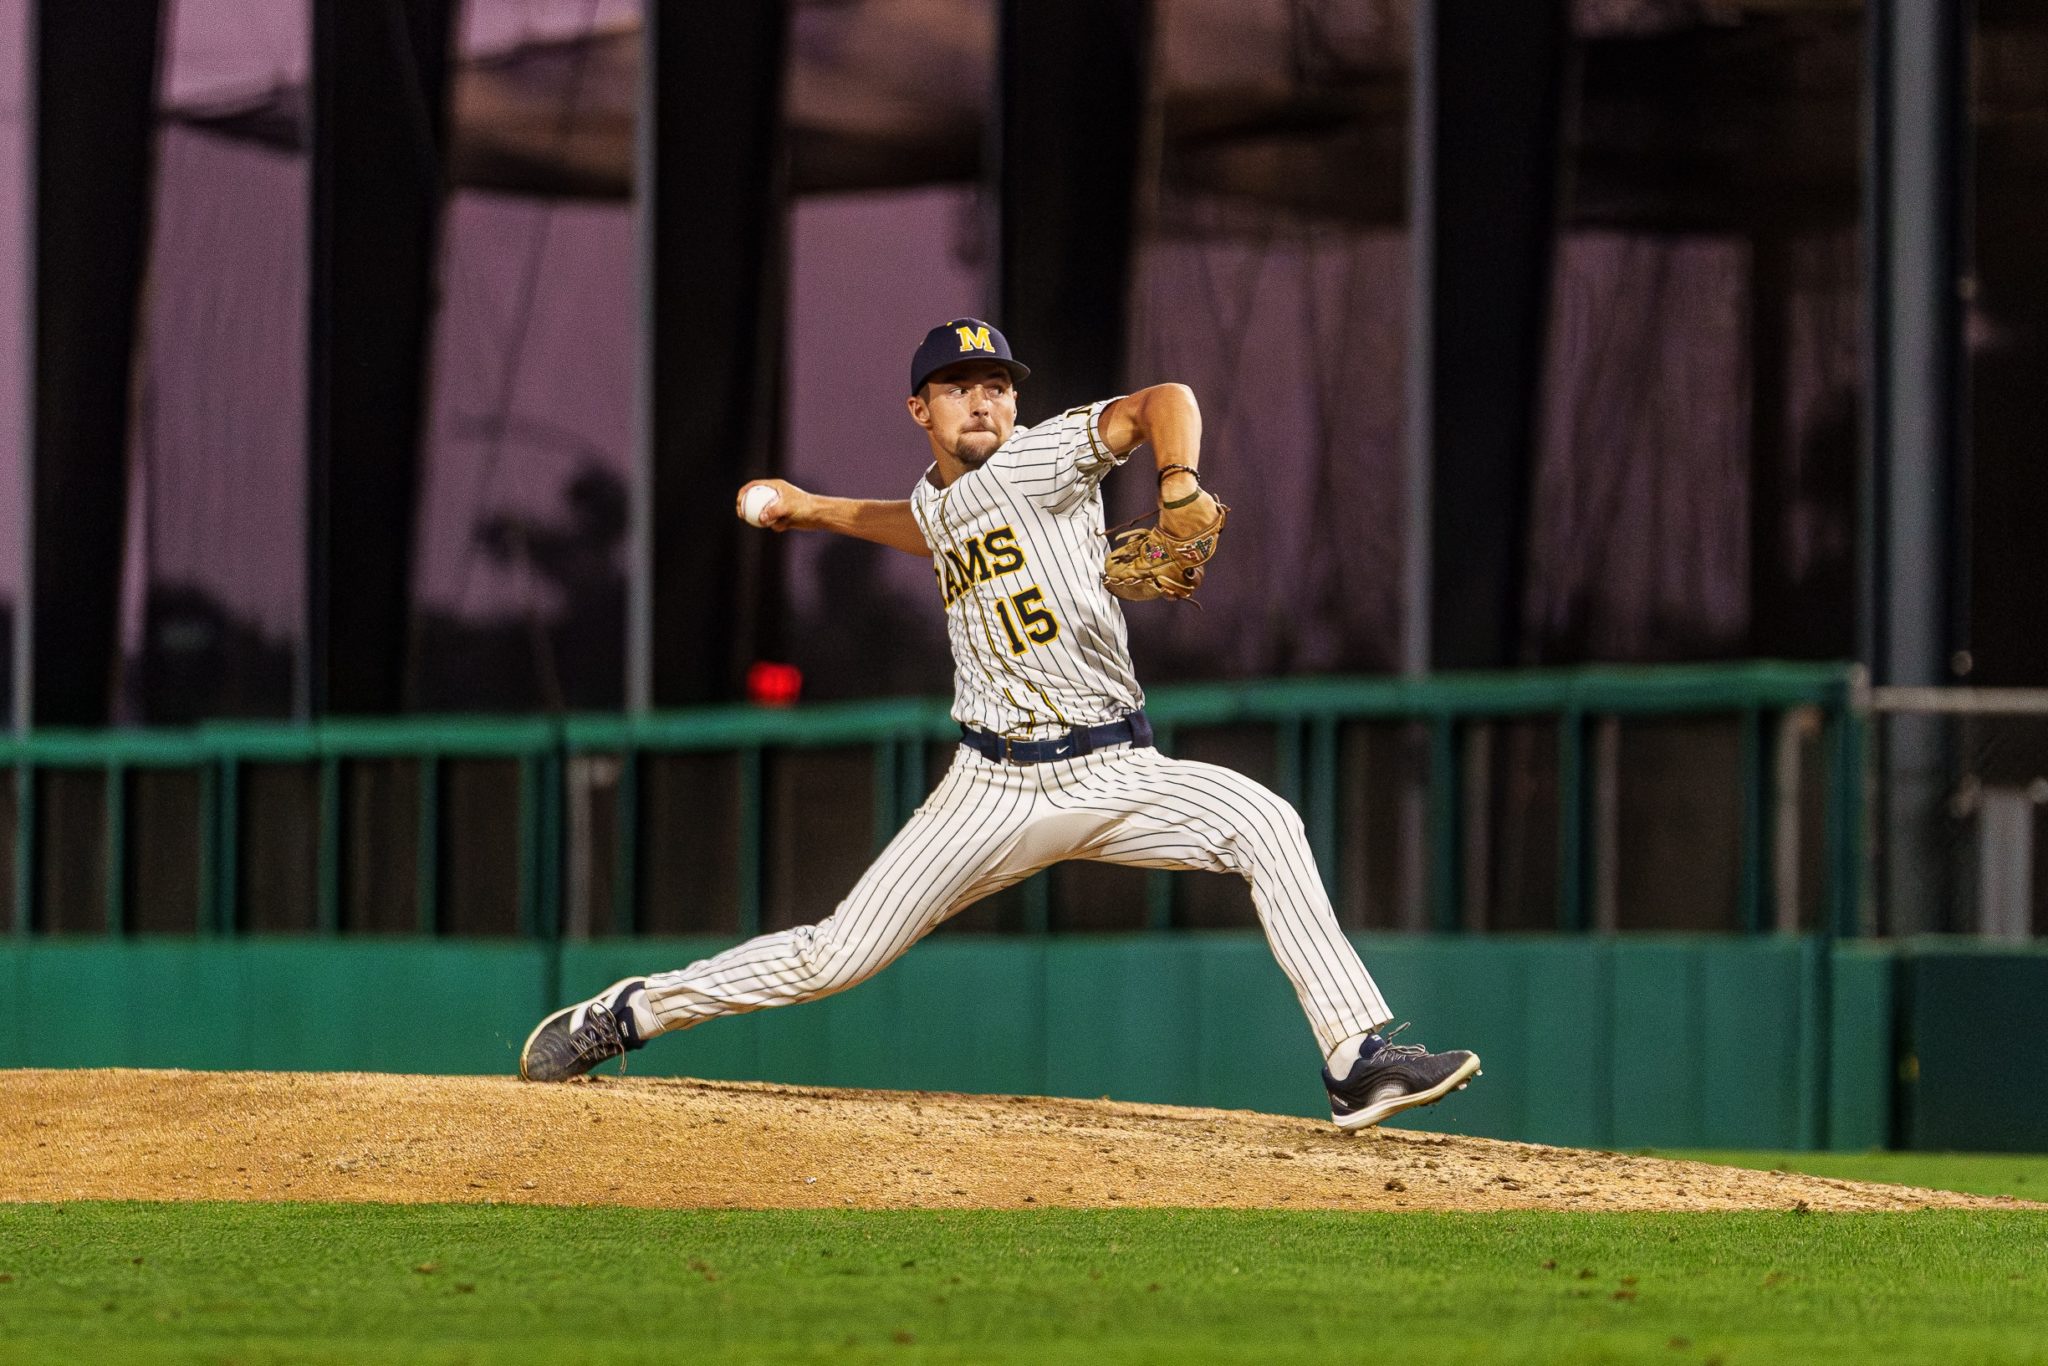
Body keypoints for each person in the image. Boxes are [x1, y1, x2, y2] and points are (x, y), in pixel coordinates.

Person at [519, 319, 1481, 1130]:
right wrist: (812, 511)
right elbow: (923, 523)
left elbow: (1165, 400)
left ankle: (1355, 1059)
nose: (982, 402)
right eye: (958, 387)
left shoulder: (1042, 457)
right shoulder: (943, 496)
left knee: (1266, 823)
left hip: (1118, 771)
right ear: (920, 411)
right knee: (833, 956)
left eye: (997, 386)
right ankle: (630, 1013)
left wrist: (1178, 483)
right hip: (992, 788)